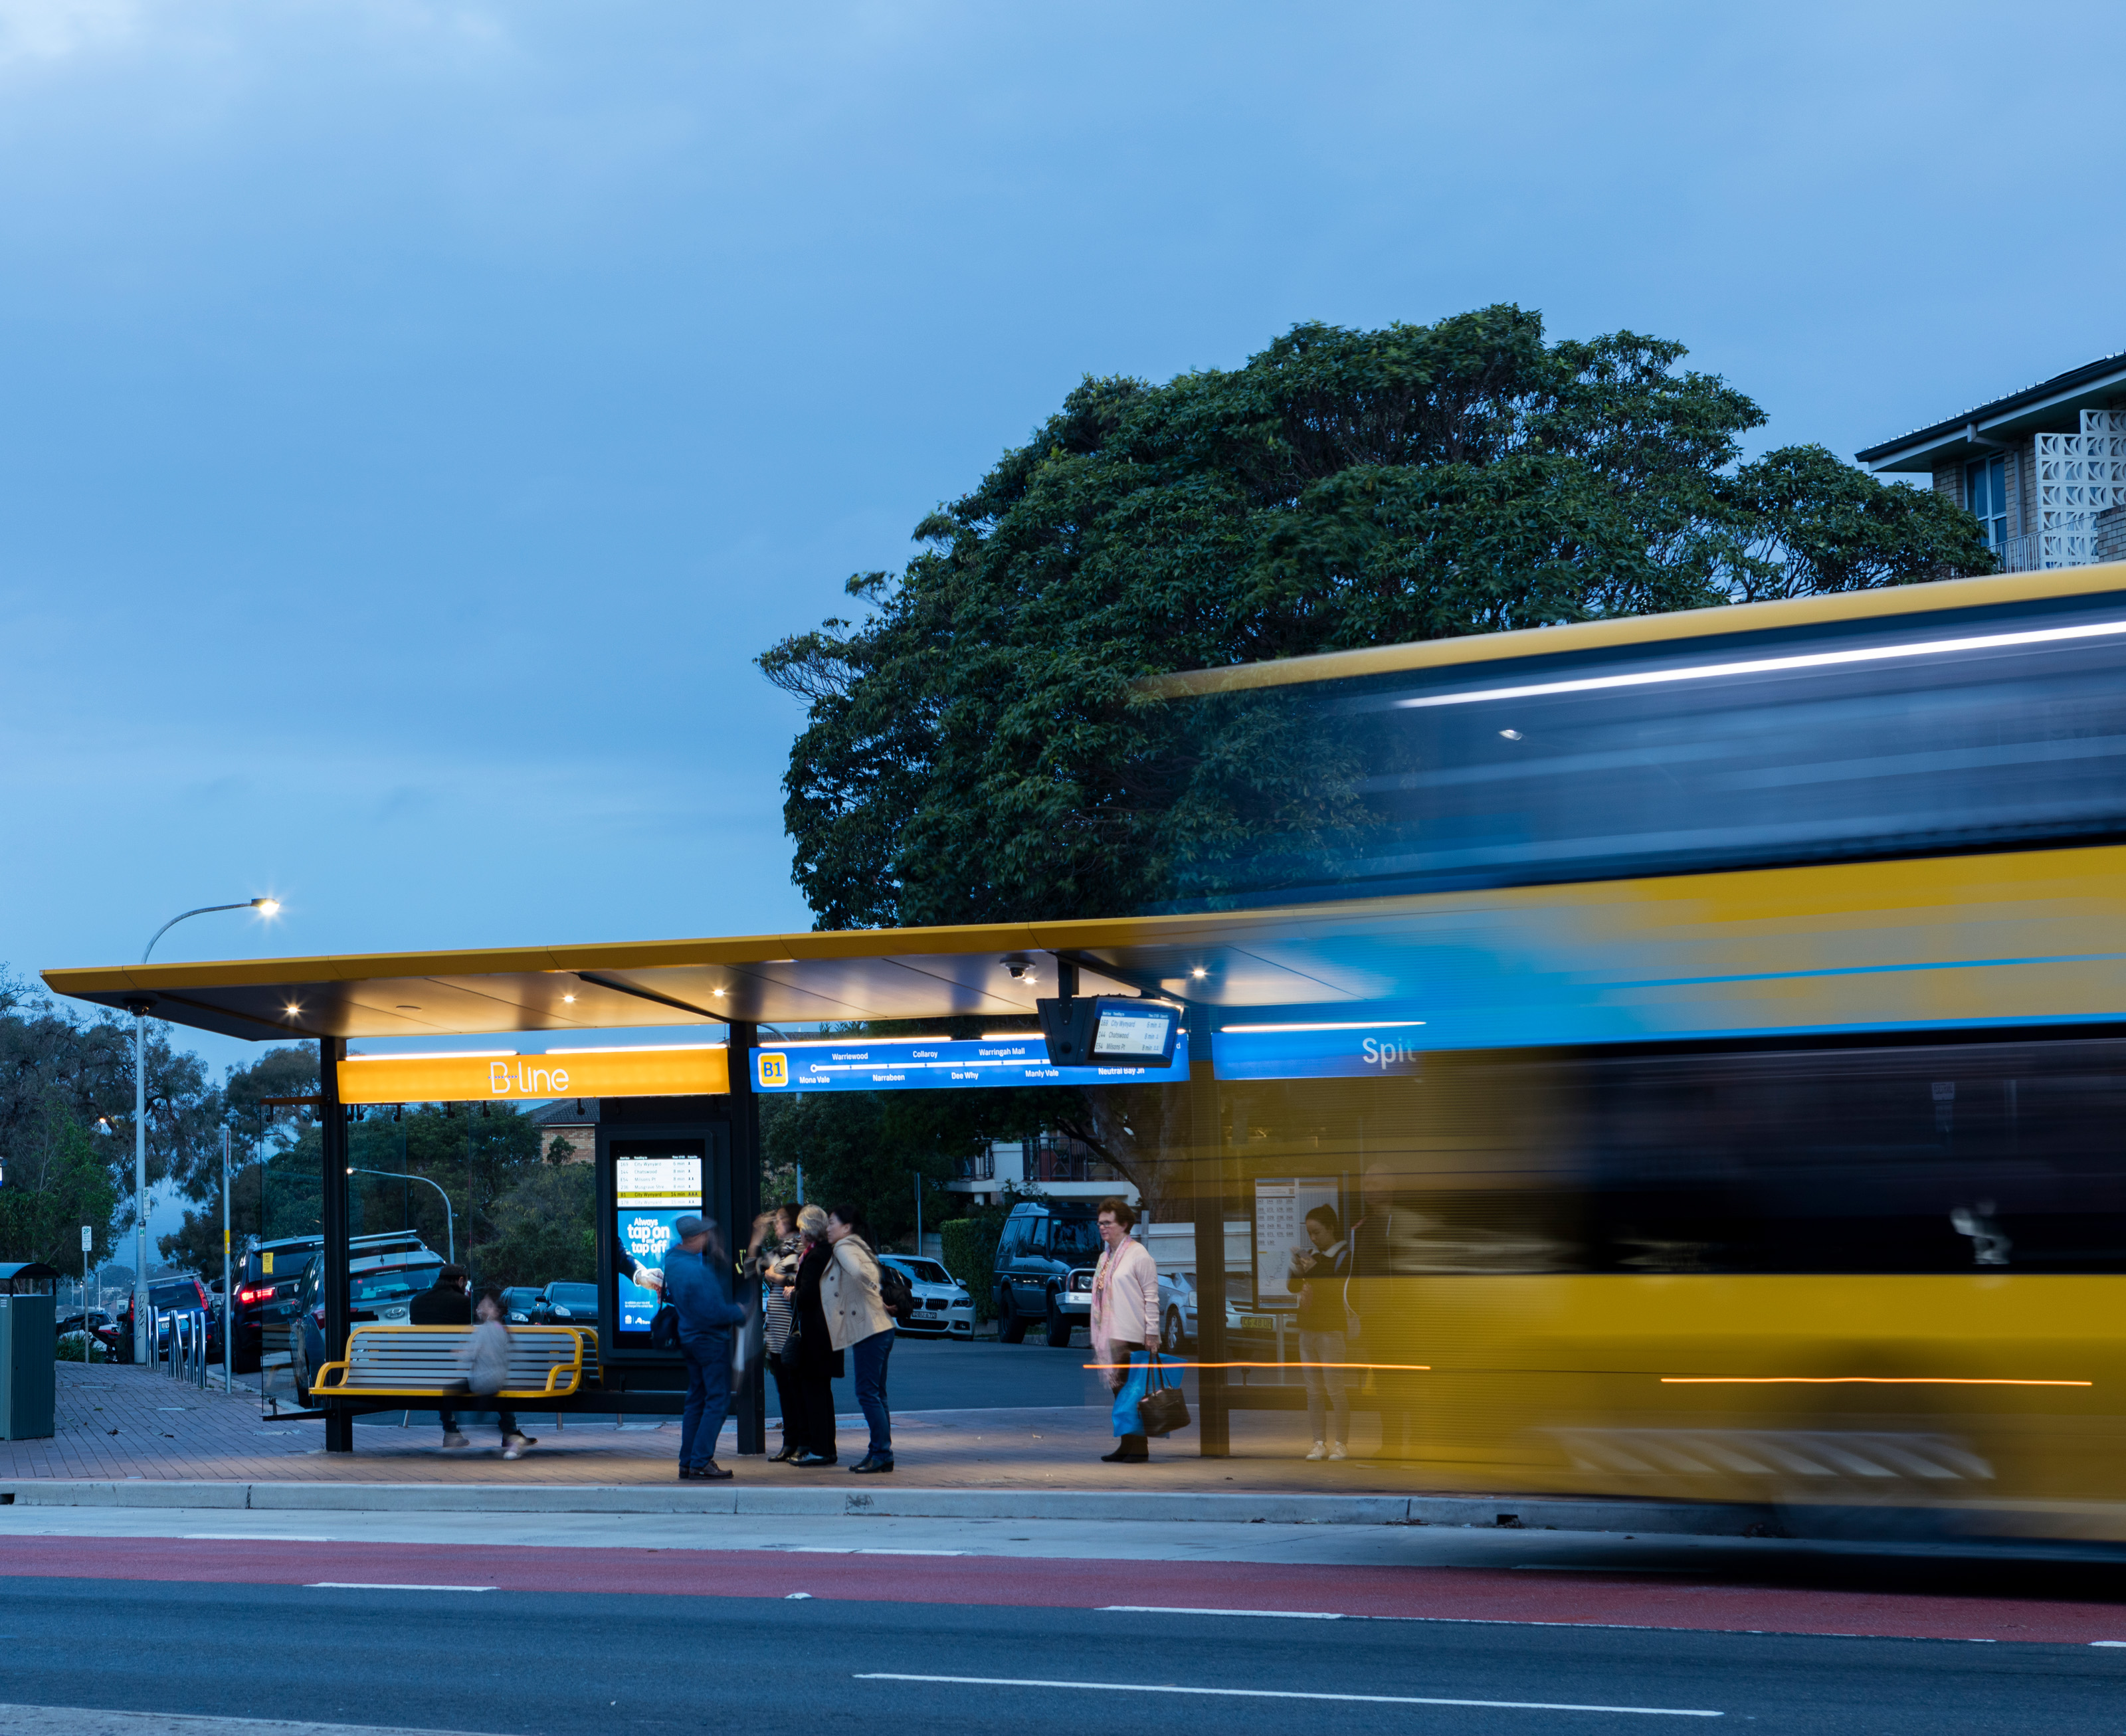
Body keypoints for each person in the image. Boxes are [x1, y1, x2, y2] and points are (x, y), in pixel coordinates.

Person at [662, 1212, 747, 1481]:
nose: (709, 1238)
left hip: (689, 1339)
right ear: (697, 1238)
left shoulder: (673, 1262)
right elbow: (712, 1312)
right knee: (718, 1400)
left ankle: (687, 1462)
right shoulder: (696, 1271)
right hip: (709, 1341)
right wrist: (738, 1312)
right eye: (706, 1235)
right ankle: (701, 1461)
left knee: (696, 1400)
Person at [821, 1203, 896, 1474]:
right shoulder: (860, 1244)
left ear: (846, 1227)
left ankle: (881, 1453)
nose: (828, 1228)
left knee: (867, 1393)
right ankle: (879, 1451)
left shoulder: (843, 1248)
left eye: (831, 1223)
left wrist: (875, 1290)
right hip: (881, 1328)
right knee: (877, 1394)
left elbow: (861, 1274)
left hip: (871, 1330)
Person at [1088, 1196, 1159, 1464]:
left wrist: (1152, 1333)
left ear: (1125, 1224)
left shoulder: (1138, 1255)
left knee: (1133, 1395)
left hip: (1132, 1335)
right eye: (1100, 1223)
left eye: (1108, 1223)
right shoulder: (1105, 1258)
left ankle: (1140, 1448)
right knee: (1121, 1396)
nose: (1103, 1228)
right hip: (1111, 1336)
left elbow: (1151, 1296)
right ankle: (1128, 1444)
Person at [1288, 1205, 1351, 1462]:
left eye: (1318, 1232)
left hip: (1332, 1329)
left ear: (1331, 1229)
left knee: (1335, 1390)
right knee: (1313, 1391)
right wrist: (1295, 1267)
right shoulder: (1312, 1256)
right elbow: (1293, 1287)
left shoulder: (1344, 1255)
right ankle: (1318, 1442)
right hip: (1308, 1328)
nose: (1313, 1239)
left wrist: (1308, 1264)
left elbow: (1334, 1288)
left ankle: (1341, 1444)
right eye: (1309, 1233)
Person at [787, 1205, 841, 1466]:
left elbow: (809, 1294)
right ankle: (826, 1448)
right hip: (826, 1336)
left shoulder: (816, 1256)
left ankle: (821, 1449)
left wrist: (792, 1293)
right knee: (822, 1393)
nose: (799, 1234)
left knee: (815, 1395)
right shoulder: (825, 1253)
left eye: (801, 1229)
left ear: (809, 1230)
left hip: (816, 1338)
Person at [748, 1206, 804, 1462]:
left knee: (795, 1390)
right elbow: (750, 1268)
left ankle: (799, 1441)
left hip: (791, 1334)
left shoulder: (798, 1248)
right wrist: (756, 1239)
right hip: (777, 1334)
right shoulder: (781, 1251)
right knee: (785, 1390)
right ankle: (790, 1441)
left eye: (781, 1220)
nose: (776, 1224)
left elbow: (787, 1276)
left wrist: (772, 1273)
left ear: (794, 1223)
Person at [455, 1291, 533, 1459]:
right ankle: (511, 1435)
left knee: (477, 1415)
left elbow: (469, 1354)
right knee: (494, 1406)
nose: (481, 1307)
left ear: (495, 1312)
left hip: (483, 1382)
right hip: (498, 1381)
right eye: (481, 1304)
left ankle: (513, 1437)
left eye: (487, 1305)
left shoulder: (485, 1330)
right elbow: (518, 1355)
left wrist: (458, 1353)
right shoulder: (503, 1330)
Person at [409, 1264, 474, 1449]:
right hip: (455, 1372)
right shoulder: (463, 1304)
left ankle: (451, 1430)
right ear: (461, 1281)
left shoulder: (417, 1302)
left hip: (421, 1372)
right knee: (492, 1368)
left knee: (441, 1371)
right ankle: (510, 1430)